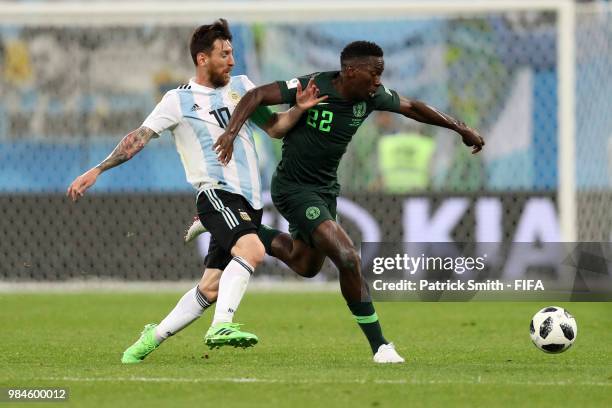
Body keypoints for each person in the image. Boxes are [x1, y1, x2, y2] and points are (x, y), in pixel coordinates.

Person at [205, 40, 485, 364]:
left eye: (381, 74)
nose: (379, 81)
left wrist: (460, 128)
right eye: (374, 74)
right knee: (348, 257)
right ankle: (381, 346)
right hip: (293, 188)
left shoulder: (372, 97)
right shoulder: (313, 86)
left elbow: (413, 107)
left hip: (325, 190)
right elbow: (254, 97)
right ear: (350, 71)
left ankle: (239, 229)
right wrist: (230, 132)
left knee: (305, 264)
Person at [66, 19, 326, 363]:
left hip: (249, 200)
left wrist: (297, 109)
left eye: (232, 53)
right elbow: (138, 138)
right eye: (224, 54)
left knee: (211, 287)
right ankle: (222, 325)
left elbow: (275, 128)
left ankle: (148, 340)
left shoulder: (242, 88)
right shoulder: (177, 100)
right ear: (202, 59)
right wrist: (98, 168)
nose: (232, 60)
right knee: (252, 250)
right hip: (215, 193)